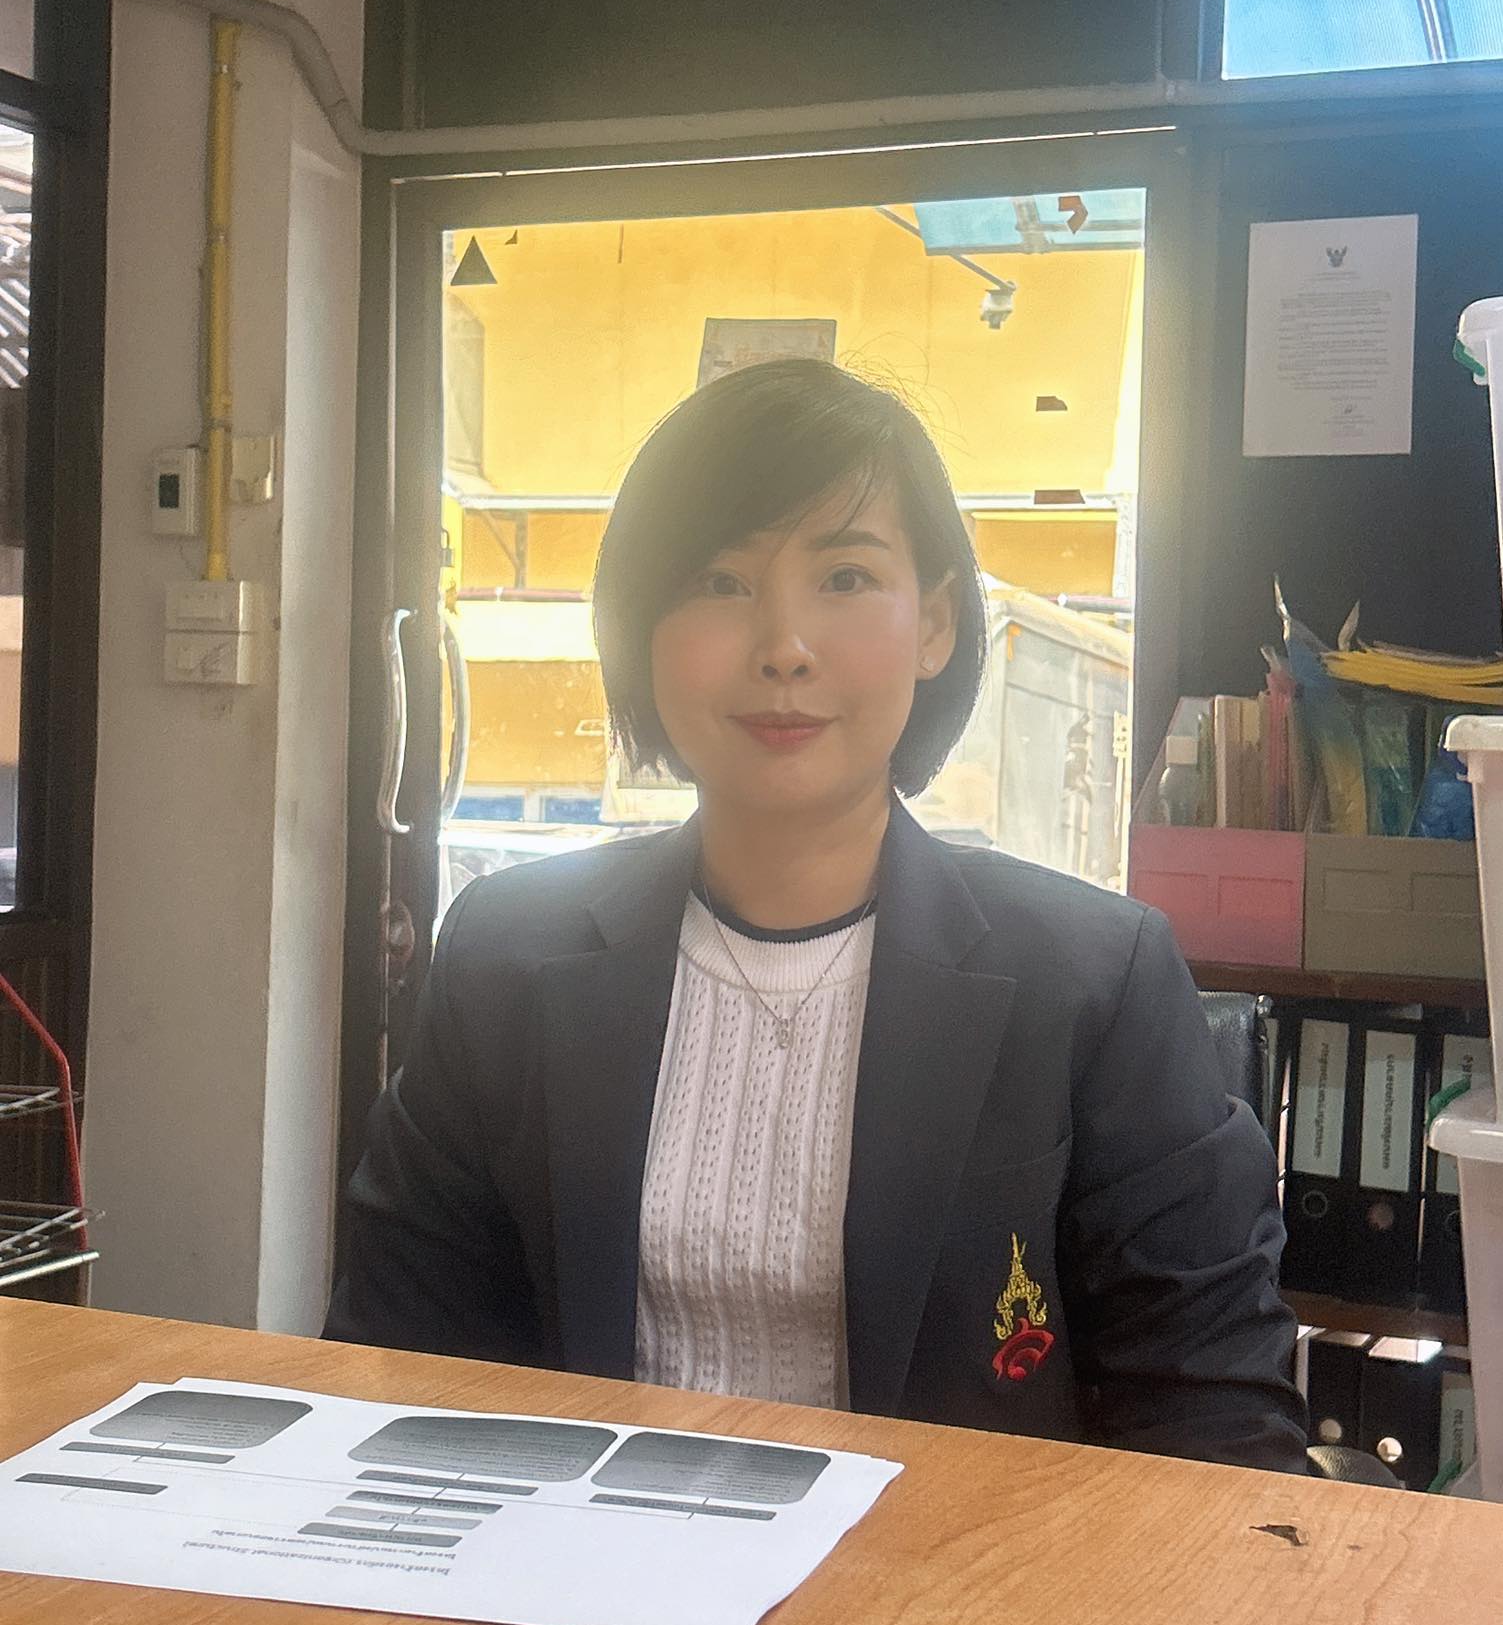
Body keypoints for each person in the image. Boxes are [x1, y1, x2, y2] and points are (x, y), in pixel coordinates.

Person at [327, 359, 1306, 1473]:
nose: (783, 646)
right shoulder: (505, 955)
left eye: (846, 576)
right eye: (718, 580)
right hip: (577, 1568)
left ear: (935, 623)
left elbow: (1209, 1419)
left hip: (955, 1572)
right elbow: (399, 1365)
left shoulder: (1095, 980)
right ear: (641, 631)